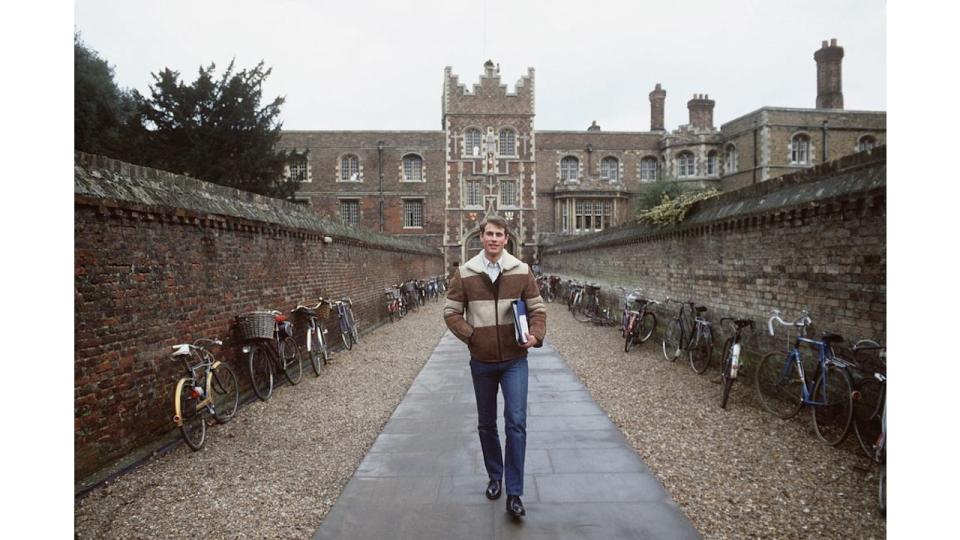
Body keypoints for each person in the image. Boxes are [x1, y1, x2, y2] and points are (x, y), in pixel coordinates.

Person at [443, 215, 546, 518]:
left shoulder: (522, 270)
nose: (493, 239)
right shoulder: (465, 273)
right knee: (486, 423)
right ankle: (495, 476)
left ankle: (514, 492)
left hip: (515, 359)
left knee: (516, 422)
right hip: (482, 361)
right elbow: (451, 313)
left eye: (499, 235)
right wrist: (472, 335)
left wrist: (535, 335)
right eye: (489, 234)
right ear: (481, 237)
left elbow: (538, 309)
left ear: (506, 239)